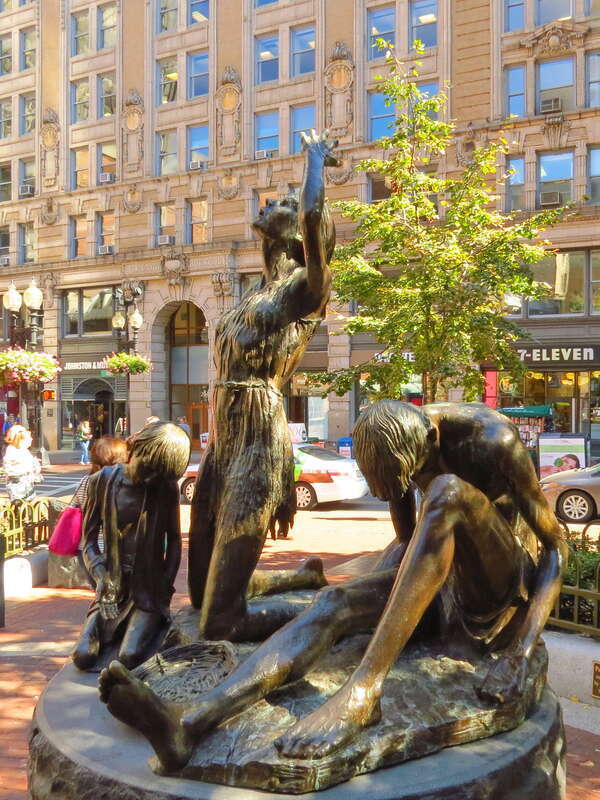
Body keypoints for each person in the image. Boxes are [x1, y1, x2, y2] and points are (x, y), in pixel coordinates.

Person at [99, 401, 565, 773]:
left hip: (496, 594)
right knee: (334, 600)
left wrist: (519, 654)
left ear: (428, 439)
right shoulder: (396, 444)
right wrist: (372, 601)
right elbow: (408, 544)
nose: (402, 489)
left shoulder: (491, 440)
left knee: (447, 491)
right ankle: (191, 722)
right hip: (443, 582)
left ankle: (365, 693)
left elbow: (555, 549)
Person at [188, 129, 338, 642]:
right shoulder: (259, 288)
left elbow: (315, 216)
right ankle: (299, 578)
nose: (274, 200)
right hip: (224, 437)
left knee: (218, 620)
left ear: (297, 232)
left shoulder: (306, 289)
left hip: (257, 435)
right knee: (198, 589)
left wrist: (315, 160)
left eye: (286, 202)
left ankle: (331, 616)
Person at [71, 422, 191, 671]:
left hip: (147, 590)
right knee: (83, 656)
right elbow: (88, 541)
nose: (151, 479)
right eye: (149, 469)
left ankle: (148, 625)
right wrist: (103, 578)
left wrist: (165, 588)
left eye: (159, 475)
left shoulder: (164, 488)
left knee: (129, 656)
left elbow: (175, 540)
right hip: (112, 584)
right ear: (136, 449)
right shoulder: (101, 482)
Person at [3, 425, 42, 502]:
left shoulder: (15, 449)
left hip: (17, 484)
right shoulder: (18, 451)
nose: (31, 439)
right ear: (21, 440)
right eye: (28, 438)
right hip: (21, 484)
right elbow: (27, 466)